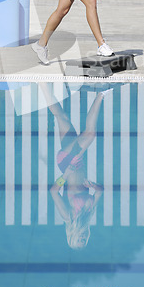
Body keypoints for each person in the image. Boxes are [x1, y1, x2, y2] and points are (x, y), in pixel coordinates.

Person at [39, 82, 107, 249]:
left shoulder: (68, 217)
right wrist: (93, 185)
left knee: (89, 134)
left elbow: (53, 192)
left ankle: (103, 93)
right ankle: (42, 84)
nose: (83, 238)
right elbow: (100, 191)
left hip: (68, 163)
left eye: (79, 240)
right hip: (78, 161)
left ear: (72, 236)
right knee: (62, 117)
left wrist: (66, 175)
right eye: (84, 240)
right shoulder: (88, 214)